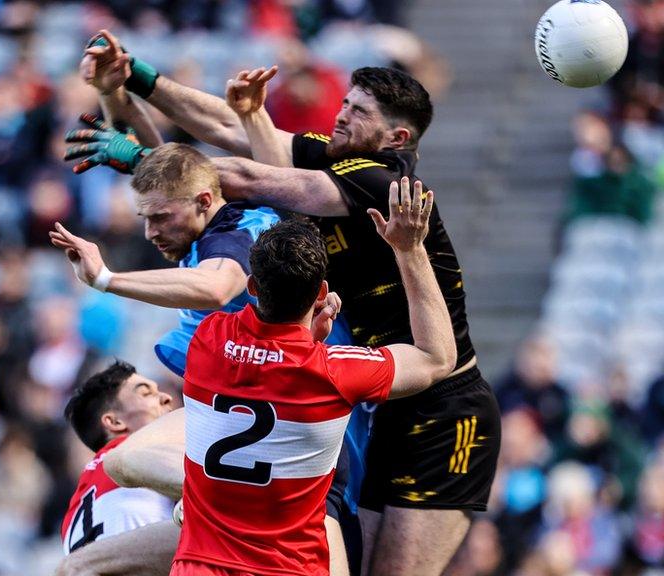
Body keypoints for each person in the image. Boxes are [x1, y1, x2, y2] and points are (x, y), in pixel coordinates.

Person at [77, 32, 501, 575]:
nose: (341, 116)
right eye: (345, 102)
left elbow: (250, 177)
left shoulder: (381, 180)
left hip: (444, 406)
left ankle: (212, 500)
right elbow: (231, 127)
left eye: (358, 112)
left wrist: (140, 161)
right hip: (378, 389)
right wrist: (138, 77)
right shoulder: (335, 159)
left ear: (395, 137)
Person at [123, 180, 454, 575]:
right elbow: (436, 358)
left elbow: (257, 357)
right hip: (288, 567)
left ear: (250, 286)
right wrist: (410, 249)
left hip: (201, 565)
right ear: (321, 293)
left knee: (123, 461)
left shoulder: (207, 342)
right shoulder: (336, 371)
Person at [51, 140, 281, 377]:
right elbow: (173, 160)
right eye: (146, 218)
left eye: (160, 218)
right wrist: (117, 103)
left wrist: (105, 279)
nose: (149, 232)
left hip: (270, 382)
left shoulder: (236, 235)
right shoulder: (204, 219)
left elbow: (216, 288)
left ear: (204, 201)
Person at [60, 361, 176, 558]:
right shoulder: (143, 453)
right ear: (114, 422)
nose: (166, 398)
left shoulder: (73, 512)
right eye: (146, 393)